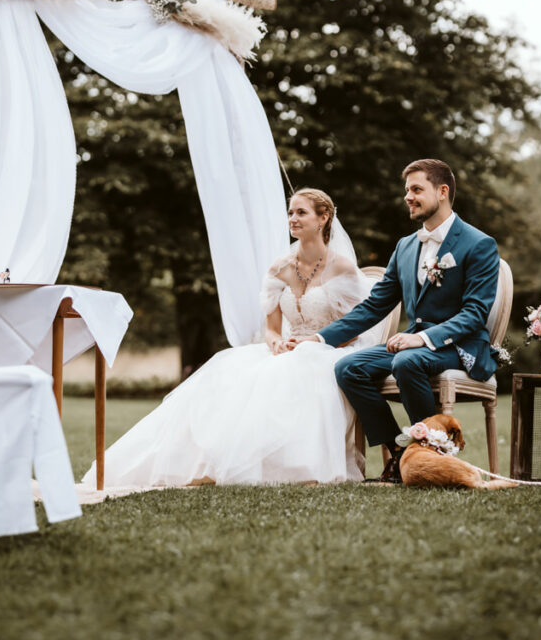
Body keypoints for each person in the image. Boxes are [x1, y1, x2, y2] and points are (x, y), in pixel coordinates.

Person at [82, 188, 377, 488]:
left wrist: (313, 342)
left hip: (326, 350)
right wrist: (276, 342)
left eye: (301, 212)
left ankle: (297, 467)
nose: (293, 218)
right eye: (290, 212)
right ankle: (215, 462)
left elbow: (353, 327)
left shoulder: (341, 267)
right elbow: (272, 328)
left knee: (297, 369)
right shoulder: (279, 268)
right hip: (285, 349)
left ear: (323, 218)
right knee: (228, 373)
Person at [297, 159, 501, 484]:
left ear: (443, 191)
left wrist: (421, 339)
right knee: (348, 369)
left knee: (407, 361)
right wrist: (320, 338)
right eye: (407, 190)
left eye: (417, 189)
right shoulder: (405, 247)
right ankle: (401, 454)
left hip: (459, 347)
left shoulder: (479, 244)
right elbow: (374, 306)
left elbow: (475, 313)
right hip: (413, 346)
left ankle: (433, 457)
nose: (408, 196)